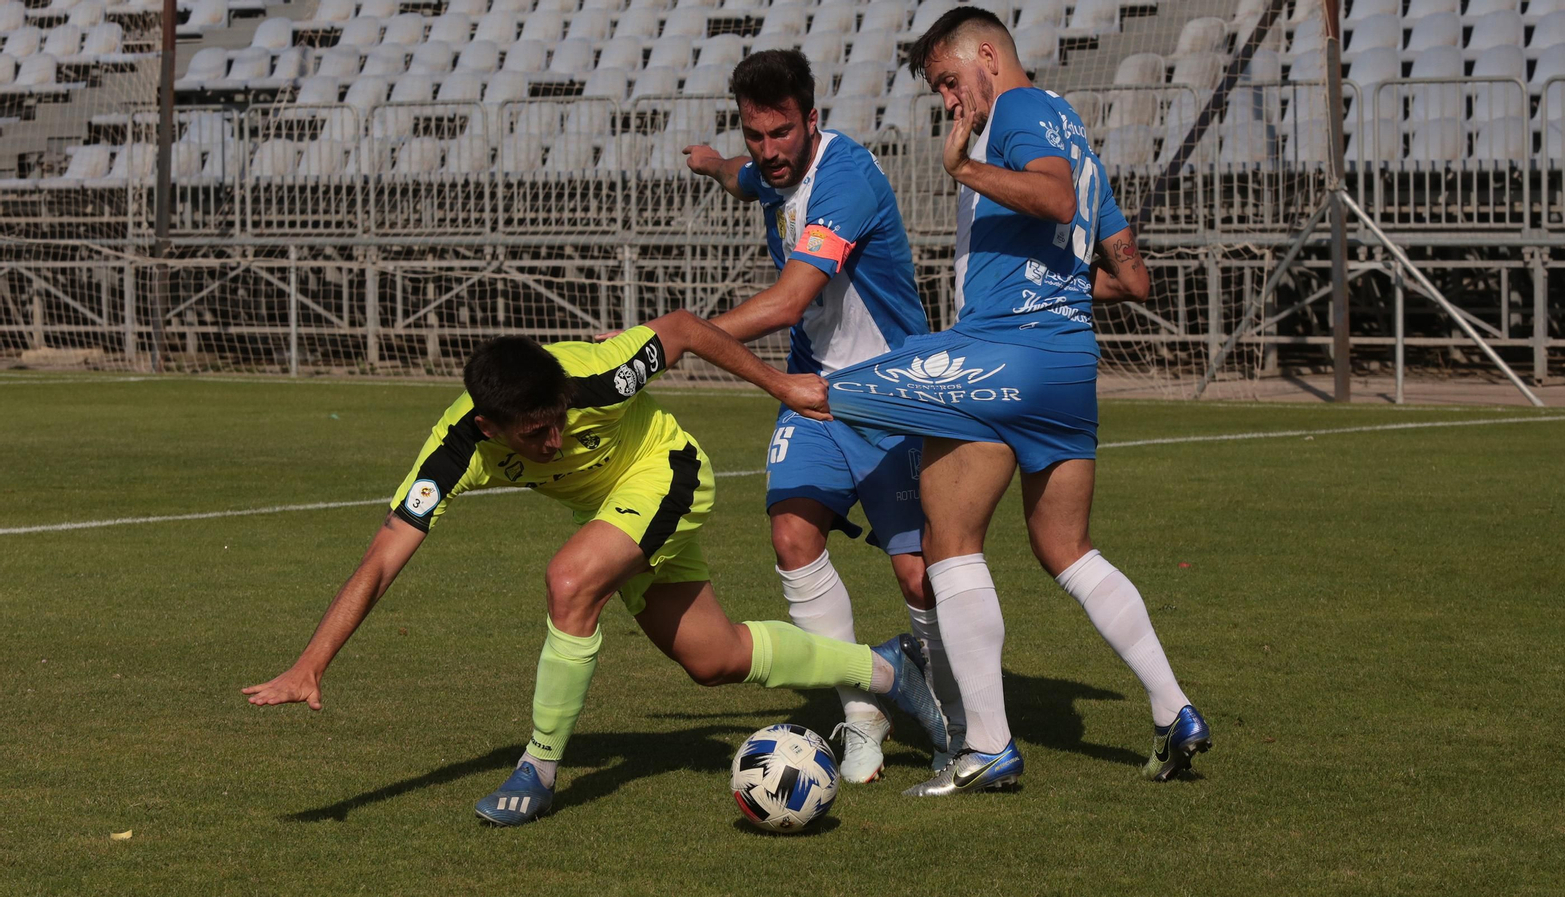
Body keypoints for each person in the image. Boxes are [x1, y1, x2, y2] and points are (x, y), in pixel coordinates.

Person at [242, 310, 947, 826]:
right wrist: (311, 663)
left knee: (570, 580)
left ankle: (538, 768)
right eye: (534, 434)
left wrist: (780, 386)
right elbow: (382, 557)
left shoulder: (598, 373)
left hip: (665, 472)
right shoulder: (456, 448)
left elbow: (684, 329)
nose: (553, 440)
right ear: (489, 427)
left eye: (558, 422)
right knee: (716, 658)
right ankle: (888, 667)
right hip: (615, 512)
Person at [822, 8, 1211, 795]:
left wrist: (962, 167)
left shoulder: (1020, 110)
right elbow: (1130, 277)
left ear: (989, 56)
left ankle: (988, 745)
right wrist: (1056, 293)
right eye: (939, 91)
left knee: (949, 536)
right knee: (1066, 547)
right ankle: (1174, 708)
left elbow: (1056, 200)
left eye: (948, 81)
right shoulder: (1077, 133)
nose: (948, 102)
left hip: (1001, 356)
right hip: (1067, 365)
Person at [681, 48, 961, 783]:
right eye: (754, 134)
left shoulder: (846, 178)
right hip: (812, 391)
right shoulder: (770, 170)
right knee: (792, 534)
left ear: (812, 120)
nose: (767, 150)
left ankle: (961, 718)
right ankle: (863, 713)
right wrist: (715, 163)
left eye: (780, 133)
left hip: (890, 392)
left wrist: (684, 337)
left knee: (916, 574)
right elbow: (747, 181)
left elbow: (789, 301)